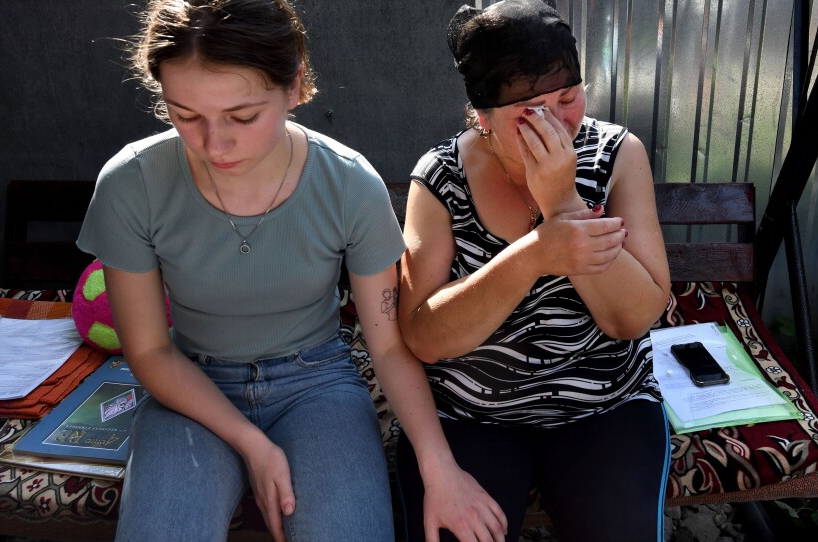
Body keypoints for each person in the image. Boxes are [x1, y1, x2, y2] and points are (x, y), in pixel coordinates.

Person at [78, 1, 505, 541]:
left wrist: (437, 464)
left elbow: (390, 346)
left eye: (242, 116)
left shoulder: (350, 184)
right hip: (188, 383)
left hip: (317, 384)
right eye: (184, 115)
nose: (214, 144)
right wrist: (253, 445)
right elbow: (149, 351)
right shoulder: (130, 183)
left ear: (295, 85)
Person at [395, 1, 673, 541]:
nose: (553, 123)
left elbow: (633, 318)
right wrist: (533, 256)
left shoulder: (617, 155)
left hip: (604, 402)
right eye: (527, 110)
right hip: (472, 411)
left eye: (567, 99)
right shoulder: (440, 176)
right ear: (482, 116)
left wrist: (562, 202)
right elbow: (424, 337)